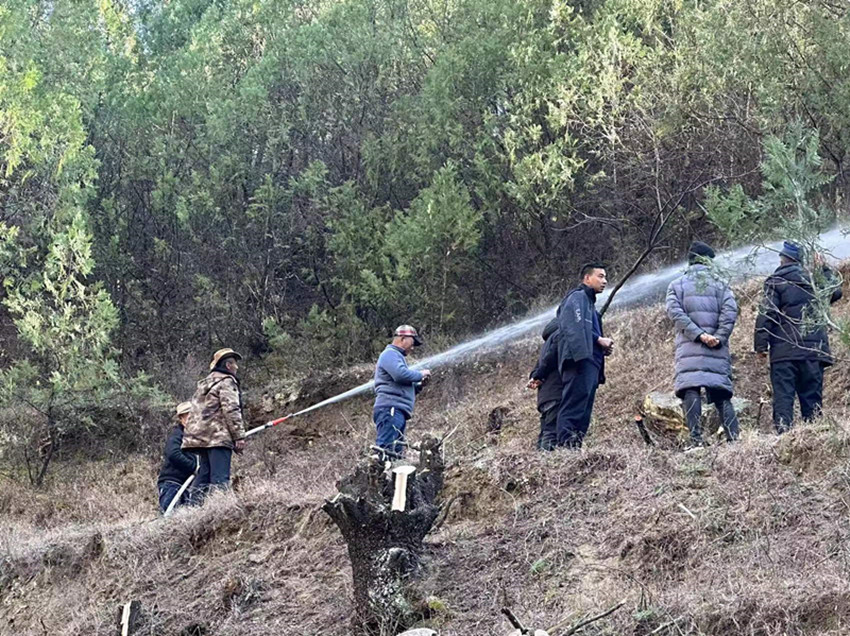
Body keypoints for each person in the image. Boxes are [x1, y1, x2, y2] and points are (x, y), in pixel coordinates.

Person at [755, 241, 843, 433]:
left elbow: (767, 313)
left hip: (784, 352)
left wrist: (761, 346)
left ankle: (783, 437)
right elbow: (835, 291)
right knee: (812, 401)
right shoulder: (814, 280)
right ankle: (813, 438)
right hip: (813, 351)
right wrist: (824, 269)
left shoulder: (775, 281)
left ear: (782, 259)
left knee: (783, 398)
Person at [666, 241, 740, 447]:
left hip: (689, 347)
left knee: (691, 388)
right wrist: (718, 337)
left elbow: (675, 314)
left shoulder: (676, 285)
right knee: (721, 393)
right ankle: (734, 440)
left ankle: (696, 439)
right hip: (716, 347)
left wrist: (699, 335)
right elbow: (730, 312)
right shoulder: (721, 284)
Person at [555, 263, 613, 449]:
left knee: (584, 411)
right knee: (573, 407)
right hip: (580, 362)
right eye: (600, 276)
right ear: (587, 278)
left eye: (605, 277)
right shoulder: (577, 297)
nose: (605, 281)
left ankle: (575, 448)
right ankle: (566, 449)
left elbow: (586, 329)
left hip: (591, 364)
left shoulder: (590, 306)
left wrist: (600, 346)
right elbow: (572, 326)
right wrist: (597, 341)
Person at [182, 348, 247, 502]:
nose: (237, 367)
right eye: (234, 364)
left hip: (200, 439)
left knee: (204, 477)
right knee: (220, 478)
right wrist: (238, 436)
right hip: (218, 437)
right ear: (228, 366)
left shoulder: (203, 385)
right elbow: (231, 409)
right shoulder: (227, 382)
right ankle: (221, 507)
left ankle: (193, 508)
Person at [373, 325, 431, 458]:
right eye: (412, 342)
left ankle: (389, 471)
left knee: (395, 454)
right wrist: (420, 374)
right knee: (385, 450)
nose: (413, 347)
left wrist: (419, 385)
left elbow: (402, 384)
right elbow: (400, 375)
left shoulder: (396, 357)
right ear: (403, 338)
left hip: (396, 410)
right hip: (391, 409)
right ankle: (378, 470)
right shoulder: (390, 354)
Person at [156, 401, 198, 514]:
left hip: (187, 486)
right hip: (172, 484)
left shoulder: (195, 437)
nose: (193, 419)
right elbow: (173, 454)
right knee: (169, 516)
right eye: (188, 415)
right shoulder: (177, 435)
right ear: (181, 418)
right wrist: (193, 467)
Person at [527, 318, 562, 451]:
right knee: (551, 431)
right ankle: (547, 458)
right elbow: (551, 359)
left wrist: (536, 377)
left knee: (545, 432)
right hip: (556, 393)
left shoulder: (545, 345)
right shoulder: (559, 337)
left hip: (544, 397)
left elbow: (537, 370)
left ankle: (539, 458)